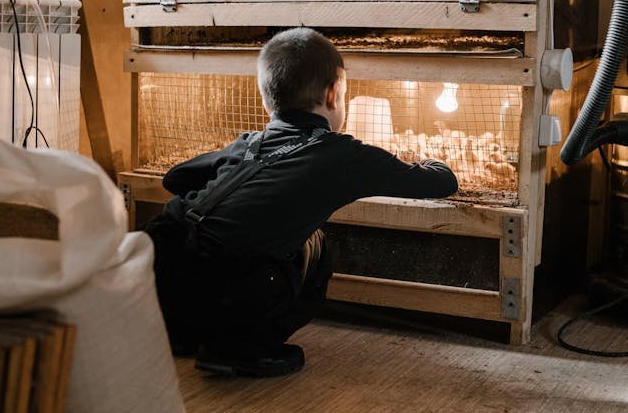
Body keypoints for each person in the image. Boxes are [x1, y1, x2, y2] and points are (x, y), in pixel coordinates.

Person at [145, 27, 458, 378]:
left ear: (266, 101)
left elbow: (174, 179)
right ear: (333, 94)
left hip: (159, 279)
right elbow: (442, 181)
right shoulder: (343, 155)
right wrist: (427, 157)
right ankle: (243, 349)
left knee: (214, 245)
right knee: (317, 243)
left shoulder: (249, 143)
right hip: (230, 290)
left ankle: (183, 335)